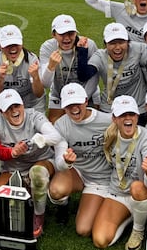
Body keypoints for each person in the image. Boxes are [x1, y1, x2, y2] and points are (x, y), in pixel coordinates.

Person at [0, 89, 64, 238]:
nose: (14, 111)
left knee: (38, 173)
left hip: (40, 161)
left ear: (23, 105)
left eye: (17, 106)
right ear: (2, 112)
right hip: (13, 168)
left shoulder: (34, 115)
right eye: (8, 108)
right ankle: (27, 201)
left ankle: (38, 215)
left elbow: (56, 136)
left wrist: (36, 140)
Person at [91, 95, 147, 250]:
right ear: (114, 118)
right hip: (118, 192)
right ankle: (130, 215)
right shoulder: (109, 136)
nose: (128, 118)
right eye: (122, 115)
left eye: (131, 114)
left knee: (137, 187)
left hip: (142, 191)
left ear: (137, 116)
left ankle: (138, 229)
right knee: (100, 240)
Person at [48, 83, 113, 236]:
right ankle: (63, 205)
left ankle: (100, 199)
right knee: (56, 190)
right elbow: (59, 160)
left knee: (83, 229)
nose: (74, 109)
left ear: (86, 100)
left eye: (77, 103)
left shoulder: (108, 120)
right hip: (77, 172)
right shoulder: (61, 124)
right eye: (69, 105)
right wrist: (67, 162)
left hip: (100, 179)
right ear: (64, 107)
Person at [79, 22, 147, 118]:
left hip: (137, 108)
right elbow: (83, 75)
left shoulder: (138, 49)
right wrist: (82, 52)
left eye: (121, 42)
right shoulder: (100, 56)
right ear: (105, 44)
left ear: (128, 42)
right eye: (112, 43)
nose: (117, 48)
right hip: (109, 108)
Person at [38, 14, 98, 122]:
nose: (67, 38)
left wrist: (80, 101)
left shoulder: (88, 45)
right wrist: (50, 67)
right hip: (59, 94)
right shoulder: (47, 48)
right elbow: (46, 84)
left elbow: (94, 78)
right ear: (54, 34)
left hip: (87, 94)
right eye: (62, 34)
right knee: (54, 127)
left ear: (76, 33)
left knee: (91, 125)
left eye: (71, 33)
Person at [0, 24, 45, 113]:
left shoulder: (32, 59)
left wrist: (36, 77)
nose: (12, 48)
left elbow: (39, 94)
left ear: (21, 44)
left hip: (31, 106)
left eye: (16, 44)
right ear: (0, 47)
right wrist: (0, 79)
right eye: (8, 45)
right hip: (8, 107)